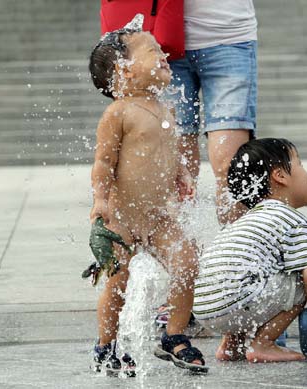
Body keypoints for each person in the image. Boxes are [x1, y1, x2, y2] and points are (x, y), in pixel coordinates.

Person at [85, 18, 207, 374]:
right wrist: (101, 201)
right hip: (122, 217)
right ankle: (106, 344)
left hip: (156, 217)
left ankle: (174, 335)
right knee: (118, 279)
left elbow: (168, 154)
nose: (165, 56)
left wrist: (182, 174)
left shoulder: (165, 108)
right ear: (123, 71)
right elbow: (103, 162)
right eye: (154, 51)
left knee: (187, 262)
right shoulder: (118, 113)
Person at [192, 138, 307, 363]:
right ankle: (263, 344)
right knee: (301, 281)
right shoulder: (292, 219)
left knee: (245, 278)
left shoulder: (244, 221)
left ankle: (231, 345)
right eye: (301, 164)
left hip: (203, 309)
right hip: (238, 302)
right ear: (280, 176)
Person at [169, 0, 258, 225]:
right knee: (171, 169)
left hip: (228, 36)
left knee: (230, 166)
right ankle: (177, 254)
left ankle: (235, 250)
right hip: (159, 38)